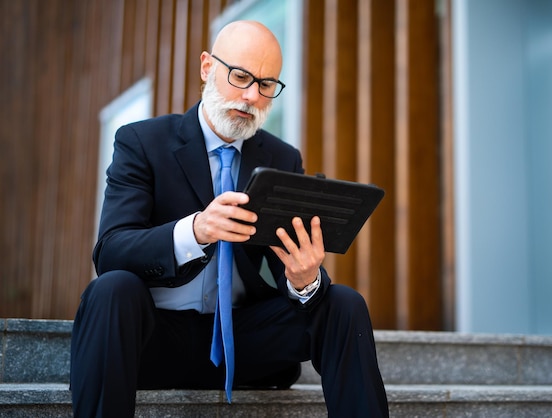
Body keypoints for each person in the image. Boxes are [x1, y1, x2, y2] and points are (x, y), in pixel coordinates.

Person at [70, 20, 389, 418]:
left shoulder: (282, 158)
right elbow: (111, 251)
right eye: (240, 77)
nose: (252, 96)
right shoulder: (141, 142)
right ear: (207, 67)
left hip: (245, 344)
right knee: (111, 289)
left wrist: (303, 281)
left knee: (341, 301)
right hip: (151, 339)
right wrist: (196, 230)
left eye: (266, 84)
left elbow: (282, 264)